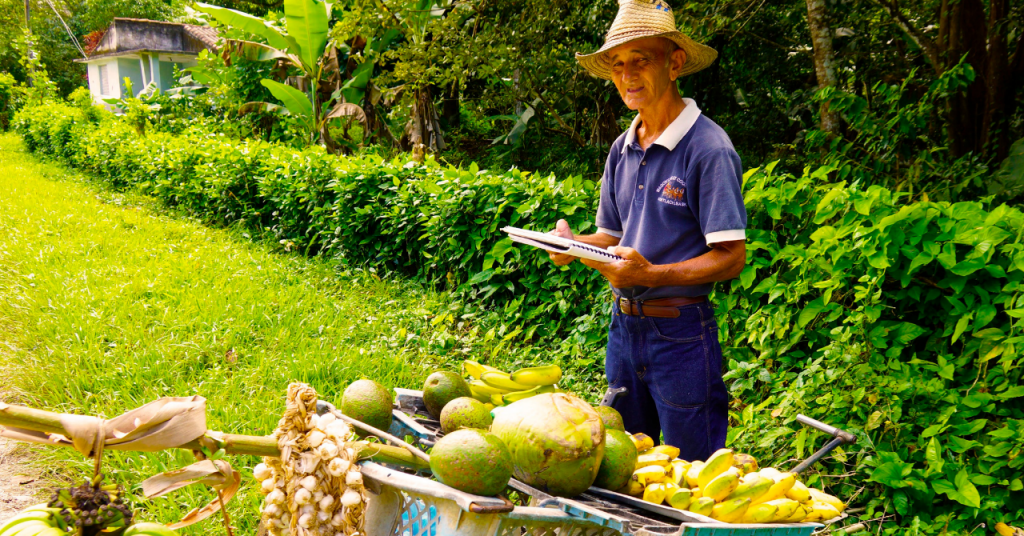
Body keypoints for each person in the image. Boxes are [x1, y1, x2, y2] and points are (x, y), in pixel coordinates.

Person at [548, 0, 747, 462]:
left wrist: (652, 274)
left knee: (690, 469)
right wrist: (573, 246)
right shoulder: (622, 146)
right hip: (623, 328)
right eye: (618, 65)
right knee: (623, 462)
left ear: (674, 62)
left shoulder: (709, 148)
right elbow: (612, 238)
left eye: (641, 60)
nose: (627, 75)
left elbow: (731, 257)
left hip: (680, 336)